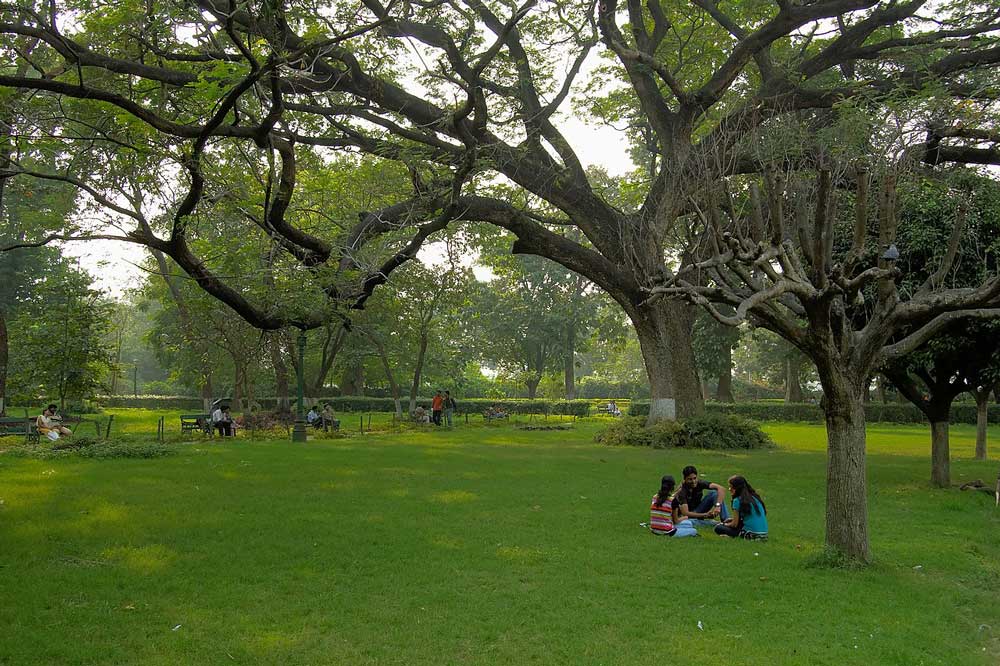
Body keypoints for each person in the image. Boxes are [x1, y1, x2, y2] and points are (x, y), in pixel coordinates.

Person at [715, 475, 768, 540]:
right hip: (763, 535)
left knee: (718, 528)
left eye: (731, 487)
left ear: (737, 488)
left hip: (749, 534)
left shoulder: (737, 500)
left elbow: (734, 524)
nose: (729, 489)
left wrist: (724, 524)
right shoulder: (755, 498)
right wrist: (732, 519)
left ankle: (734, 536)